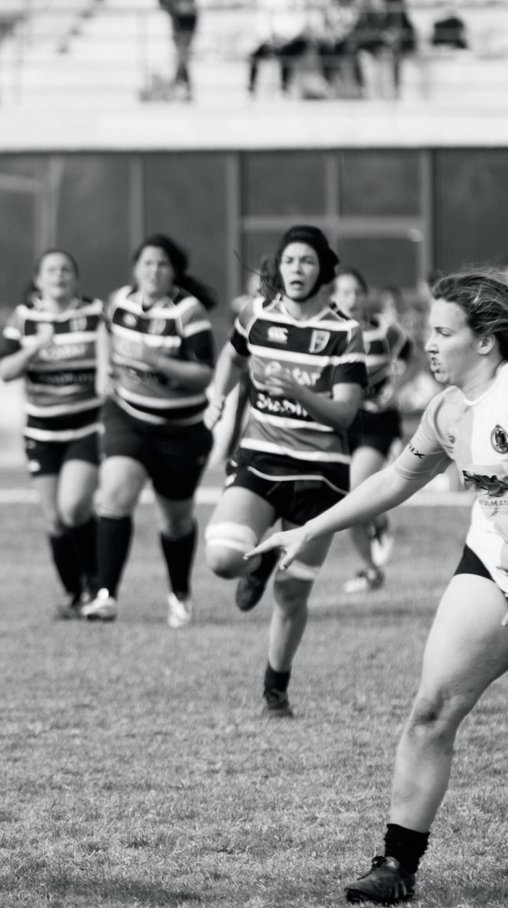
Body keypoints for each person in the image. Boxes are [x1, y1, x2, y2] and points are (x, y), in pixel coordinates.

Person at [251, 271, 508, 905]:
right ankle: (397, 864)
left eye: (443, 331)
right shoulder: (448, 407)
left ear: (485, 341)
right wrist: (308, 528)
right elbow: (395, 481)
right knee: (432, 709)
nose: (428, 342)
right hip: (494, 568)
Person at [202, 225, 364, 717]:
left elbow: (344, 415)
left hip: (320, 476)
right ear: (280, 268)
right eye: (290, 261)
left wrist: (297, 391)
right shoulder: (257, 315)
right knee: (223, 559)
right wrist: (217, 394)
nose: (297, 269)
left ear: (323, 271)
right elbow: (232, 356)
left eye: (308, 261)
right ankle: (261, 560)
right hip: (261, 457)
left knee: (291, 596)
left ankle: (275, 690)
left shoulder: (344, 332)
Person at [84, 235, 217, 628]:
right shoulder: (120, 300)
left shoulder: (189, 313)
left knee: (175, 519)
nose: (153, 271)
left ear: (174, 271)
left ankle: (180, 593)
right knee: (115, 492)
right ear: (135, 268)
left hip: (180, 430)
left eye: (161, 264)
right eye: (146, 263)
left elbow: (203, 375)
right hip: (127, 416)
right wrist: (102, 371)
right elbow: (104, 331)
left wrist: (158, 360)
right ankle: (106, 595)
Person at [0, 250, 106, 619]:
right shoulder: (24, 318)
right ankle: (75, 594)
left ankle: (96, 584)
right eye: (51, 270)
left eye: (65, 269)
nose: (58, 275)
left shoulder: (94, 313)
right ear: (38, 279)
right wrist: (35, 348)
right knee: (54, 519)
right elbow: (5, 370)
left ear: (75, 278)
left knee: (74, 507)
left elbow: (111, 358)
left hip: (86, 426)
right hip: (41, 430)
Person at [332, 268, 411, 593]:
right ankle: (369, 569)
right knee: (342, 501)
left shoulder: (384, 331)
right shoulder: (327, 331)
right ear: (333, 297)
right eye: (344, 293)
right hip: (341, 420)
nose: (351, 299)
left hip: (377, 422)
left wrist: (397, 385)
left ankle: (378, 520)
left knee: (353, 493)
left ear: (365, 296)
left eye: (357, 292)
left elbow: (413, 357)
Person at [160, 0, 200, 101]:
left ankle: (179, 85)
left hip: (187, 18)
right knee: (182, 54)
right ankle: (181, 85)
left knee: (182, 54)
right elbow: (163, 4)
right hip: (179, 18)